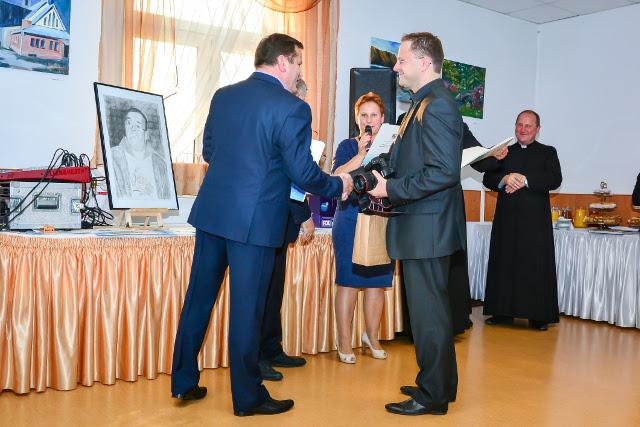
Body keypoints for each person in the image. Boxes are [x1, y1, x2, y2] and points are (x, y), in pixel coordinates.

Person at [170, 33, 353, 417]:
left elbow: (209, 151)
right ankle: (248, 397)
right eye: (298, 63)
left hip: (212, 214)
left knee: (198, 300)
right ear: (283, 62)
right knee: (247, 310)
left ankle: (184, 381)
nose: (299, 71)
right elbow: (303, 173)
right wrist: (339, 185)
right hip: (254, 223)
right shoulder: (293, 108)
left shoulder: (224, 96)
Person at [368, 32, 465, 416]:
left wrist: (390, 188)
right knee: (430, 314)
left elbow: (443, 172)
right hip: (424, 226)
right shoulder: (424, 102)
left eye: (402, 60)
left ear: (425, 63)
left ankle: (432, 396)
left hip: (427, 227)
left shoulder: (436, 105)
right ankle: (440, 383)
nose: (396, 67)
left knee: (429, 316)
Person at [394, 117, 507, 337]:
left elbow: (478, 158)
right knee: (417, 259)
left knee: (450, 258)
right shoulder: (405, 120)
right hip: (417, 195)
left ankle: (450, 323)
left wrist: (494, 155)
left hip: (448, 201)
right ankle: (413, 326)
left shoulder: (456, 123)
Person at [482, 110, 562, 331]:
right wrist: (506, 178)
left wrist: (525, 180)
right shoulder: (504, 152)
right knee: (504, 262)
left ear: (537, 129)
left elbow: (555, 179)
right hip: (507, 220)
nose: (523, 129)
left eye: (528, 125)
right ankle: (502, 312)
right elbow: (488, 178)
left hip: (535, 223)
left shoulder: (548, 152)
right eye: (519, 124)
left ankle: (538, 316)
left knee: (535, 266)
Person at [258, 78, 316, 381]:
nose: (301, 105)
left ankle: (272, 348)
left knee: (274, 290)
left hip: (281, 222)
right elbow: (292, 179)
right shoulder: (279, 125)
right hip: (268, 218)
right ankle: (257, 358)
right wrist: (305, 215)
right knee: (261, 293)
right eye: (298, 98)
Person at [331, 92, 394, 364]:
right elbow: (335, 176)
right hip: (350, 218)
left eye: (374, 115)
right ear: (357, 119)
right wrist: (361, 154)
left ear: (382, 119)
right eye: (364, 115)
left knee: (377, 284)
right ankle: (344, 342)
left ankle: (372, 337)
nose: (369, 120)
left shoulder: (393, 146)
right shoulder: (347, 146)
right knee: (348, 282)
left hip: (381, 218)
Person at [110, 107, 170, 200]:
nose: (132, 128)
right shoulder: (113, 158)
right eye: (129, 123)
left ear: (146, 135)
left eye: (138, 126)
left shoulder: (160, 164)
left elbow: (166, 196)